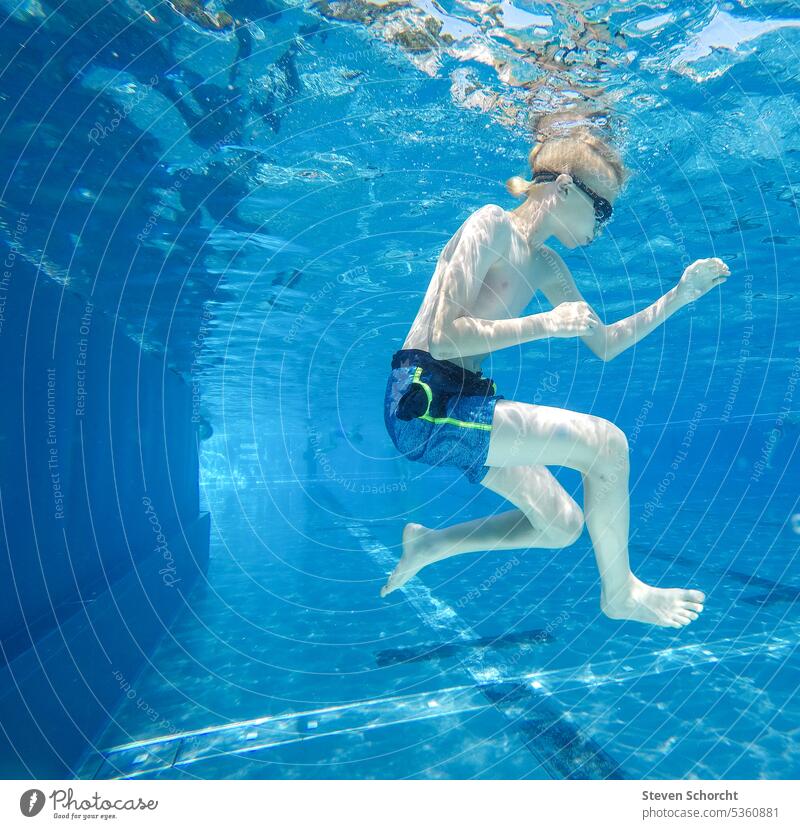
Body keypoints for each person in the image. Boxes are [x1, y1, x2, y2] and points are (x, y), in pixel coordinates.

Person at [381, 127, 730, 628]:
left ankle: (429, 544)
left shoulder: (546, 264)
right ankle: (621, 593)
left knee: (562, 524)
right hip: (425, 400)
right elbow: (444, 338)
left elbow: (604, 343)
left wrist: (678, 296)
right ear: (563, 187)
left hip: (462, 403)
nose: (604, 225)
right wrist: (544, 324)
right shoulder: (491, 224)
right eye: (602, 209)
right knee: (607, 445)